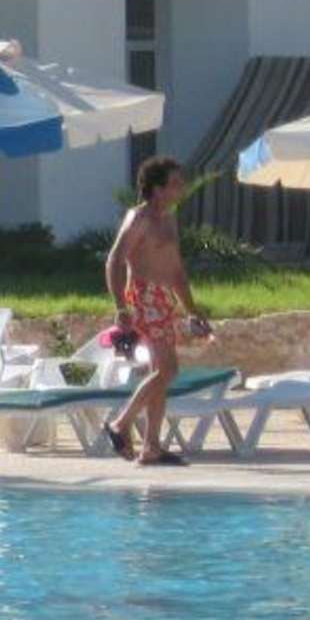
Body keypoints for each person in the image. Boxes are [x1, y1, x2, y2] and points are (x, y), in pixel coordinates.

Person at [104, 155, 211, 467]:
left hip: (163, 298)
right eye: (175, 183)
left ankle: (151, 446)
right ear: (157, 188)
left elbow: (176, 270)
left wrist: (191, 310)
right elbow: (114, 260)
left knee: (159, 373)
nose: (182, 187)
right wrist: (120, 307)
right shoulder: (139, 218)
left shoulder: (168, 218)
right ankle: (121, 423)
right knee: (168, 370)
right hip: (143, 297)